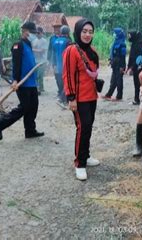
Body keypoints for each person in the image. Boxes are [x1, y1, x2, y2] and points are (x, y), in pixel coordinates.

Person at [62, 19, 100, 181]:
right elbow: (68, 75)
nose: (87, 34)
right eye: (84, 31)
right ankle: (80, 163)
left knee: (88, 127)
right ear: (78, 32)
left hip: (92, 96)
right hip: (79, 98)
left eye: (90, 31)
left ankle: (86, 155)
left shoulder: (92, 51)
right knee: (82, 127)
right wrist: (71, 97)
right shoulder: (72, 50)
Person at [0, 22, 44, 140]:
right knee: (24, 107)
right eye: (32, 32)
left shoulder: (28, 44)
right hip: (22, 83)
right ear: (25, 31)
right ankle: (0, 124)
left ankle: (30, 130)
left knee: (33, 106)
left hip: (32, 82)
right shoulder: (18, 45)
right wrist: (15, 80)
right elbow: (16, 63)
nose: (33, 35)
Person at [103, 28, 126, 102]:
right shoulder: (115, 42)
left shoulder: (122, 44)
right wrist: (111, 60)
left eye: (115, 33)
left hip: (120, 64)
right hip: (115, 64)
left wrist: (122, 66)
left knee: (119, 81)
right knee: (113, 80)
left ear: (118, 34)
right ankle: (108, 94)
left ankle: (119, 96)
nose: (114, 34)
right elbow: (113, 53)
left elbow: (123, 56)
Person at [52, 25, 72, 108]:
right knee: (67, 83)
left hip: (57, 65)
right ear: (67, 33)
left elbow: (53, 54)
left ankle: (62, 98)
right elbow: (70, 54)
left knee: (61, 83)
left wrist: (53, 65)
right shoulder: (68, 41)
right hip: (65, 65)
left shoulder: (55, 41)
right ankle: (62, 99)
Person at [126, 31, 142, 105]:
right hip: (138, 67)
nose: (129, 37)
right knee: (139, 83)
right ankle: (139, 98)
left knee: (138, 83)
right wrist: (128, 67)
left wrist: (132, 68)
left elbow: (138, 58)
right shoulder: (137, 44)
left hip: (138, 67)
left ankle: (138, 99)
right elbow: (131, 57)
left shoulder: (138, 45)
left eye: (130, 36)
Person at [31, 26, 48, 95]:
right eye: (36, 33)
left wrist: (33, 50)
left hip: (42, 61)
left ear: (41, 33)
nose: (37, 34)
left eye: (38, 33)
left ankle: (40, 88)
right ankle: (38, 88)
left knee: (40, 75)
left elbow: (42, 51)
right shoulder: (34, 41)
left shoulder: (44, 41)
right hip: (35, 61)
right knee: (36, 76)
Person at [47, 26, 61, 96]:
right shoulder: (52, 38)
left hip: (62, 61)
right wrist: (48, 60)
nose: (56, 30)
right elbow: (49, 49)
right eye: (55, 29)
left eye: (58, 29)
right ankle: (60, 90)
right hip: (54, 61)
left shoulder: (64, 38)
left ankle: (62, 92)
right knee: (57, 76)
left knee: (62, 77)